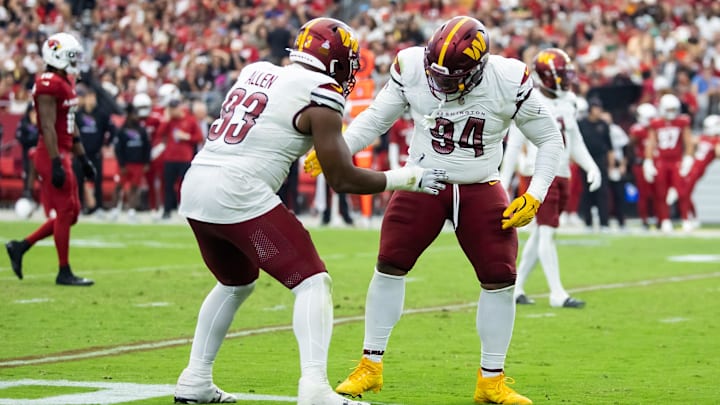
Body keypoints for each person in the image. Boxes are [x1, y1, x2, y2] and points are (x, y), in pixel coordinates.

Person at [173, 17, 447, 405]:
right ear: (334, 58)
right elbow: (343, 178)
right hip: (238, 189)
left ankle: (195, 379)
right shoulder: (321, 91)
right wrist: (407, 178)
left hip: (198, 181)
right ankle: (315, 388)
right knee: (312, 281)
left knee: (236, 283)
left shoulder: (256, 71)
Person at [305, 16, 564, 405]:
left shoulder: (508, 78)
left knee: (500, 277)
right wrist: (337, 150)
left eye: (454, 76)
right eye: (436, 74)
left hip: (480, 184)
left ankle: (491, 380)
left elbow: (549, 138)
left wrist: (536, 193)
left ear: (479, 67)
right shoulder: (411, 66)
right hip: (421, 180)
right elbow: (377, 117)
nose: (441, 84)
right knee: (389, 263)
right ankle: (370, 366)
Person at [500, 48, 601, 309]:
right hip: (540, 174)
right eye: (562, 76)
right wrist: (503, 180)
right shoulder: (528, 100)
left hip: (563, 172)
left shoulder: (568, 100)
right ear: (548, 77)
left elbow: (575, 139)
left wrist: (591, 166)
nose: (567, 81)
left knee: (542, 234)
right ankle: (557, 293)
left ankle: (516, 287)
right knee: (546, 233)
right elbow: (513, 145)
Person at [5, 32, 96, 286]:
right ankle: (63, 271)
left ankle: (20, 246)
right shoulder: (48, 83)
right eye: (71, 55)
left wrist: (84, 158)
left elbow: (70, 123)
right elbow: (47, 125)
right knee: (66, 212)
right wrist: (56, 162)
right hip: (51, 153)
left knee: (73, 213)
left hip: (62, 153)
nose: (75, 60)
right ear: (56, 54)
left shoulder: (65, 82)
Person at [643, 93, 695, 232]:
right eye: (669, 109)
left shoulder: (682, 122)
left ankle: (685, 219)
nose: (671, 113)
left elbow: (688, 141)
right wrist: (648, 161)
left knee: (682, 192)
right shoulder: (656, 123)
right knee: (661, 193)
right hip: (661, 160)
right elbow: (651, 143)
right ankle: (665, 219)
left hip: (676, 160)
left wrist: (688, 158)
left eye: (673, 109)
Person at [155, 96, 203, 219]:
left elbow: (199, 138)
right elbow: (159, 134)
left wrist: (186, 137)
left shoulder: (190, 120)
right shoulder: (170, 121)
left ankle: (186, 210)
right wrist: (165, 120)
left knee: (185, 185)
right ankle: (167, 210)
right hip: (170, 158)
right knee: (168, 185)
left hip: (185, 158)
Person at [73, 84, 115, 213]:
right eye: (89, 97)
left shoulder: (101, 115)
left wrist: (106, 144)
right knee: (78, 180)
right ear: (84, 99)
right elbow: (72, 132)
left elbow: (112, 130)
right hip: (81, 153)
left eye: (93, 97)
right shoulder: (78, 115)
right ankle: (79, 206)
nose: (91, 100)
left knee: (97, 181)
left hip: (95, 152)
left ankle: (98, 206)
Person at [577, 98, 614, 231]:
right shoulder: (581, 124)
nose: (598, 111)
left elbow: (609, 146)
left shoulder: (603, 125)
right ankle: (588, 222)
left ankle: (604, 222)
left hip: (600, 160)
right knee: (587, 191)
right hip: (585, 160)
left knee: (602, 191)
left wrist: (611, 165)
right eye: (595, 108)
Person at [114, 93, 151, 222]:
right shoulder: (122, 130)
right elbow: (118, 149)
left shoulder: (141, 130)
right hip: (126, 163)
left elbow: (147, 146)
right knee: (119, 186)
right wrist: (122, 164)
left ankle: (131, 210)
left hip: (138, 163)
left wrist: (146, 162)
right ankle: (115, 209)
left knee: (135, 187)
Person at [629, 103, 659, 229]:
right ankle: (645, 218)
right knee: (644, 193)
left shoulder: (657, 128)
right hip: (641, 163)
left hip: (656, 163)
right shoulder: (637, 130)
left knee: (658, 193)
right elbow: (631, 146)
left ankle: (659, 217)